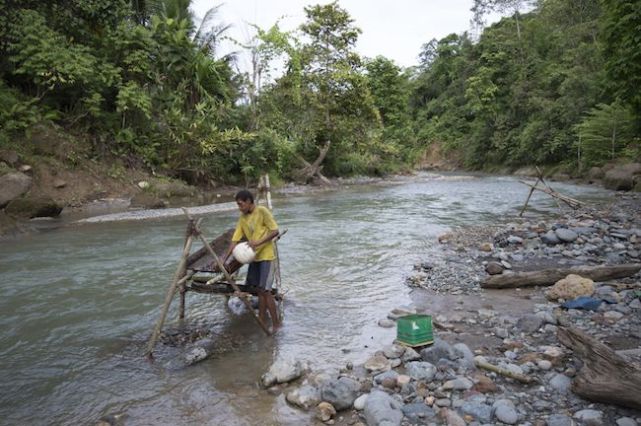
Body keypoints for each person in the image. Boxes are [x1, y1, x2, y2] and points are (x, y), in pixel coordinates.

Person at [224, 189, 281, 332]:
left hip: (267, 256)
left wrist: (258, 242)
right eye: (238, 205)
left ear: (249, 201)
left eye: (241, 204)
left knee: (266, 291)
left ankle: (276, 324)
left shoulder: (262, 211)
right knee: (259, 290)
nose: (240, 207)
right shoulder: (242, 218)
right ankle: (261, 319)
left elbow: (275, 231)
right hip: (254, 258)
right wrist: (224, 259)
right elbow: (235, 240)